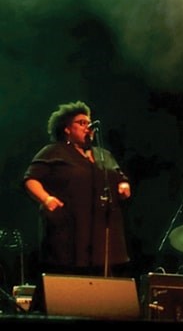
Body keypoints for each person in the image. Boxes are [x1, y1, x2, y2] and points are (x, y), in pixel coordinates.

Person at [23, 101, 133, 313]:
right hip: (68, 229)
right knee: (64, 281)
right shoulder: (53, 152)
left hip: (102, 231)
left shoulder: (103, 154)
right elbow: (31, 179)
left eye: (89, 123)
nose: (87, 127)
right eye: (81, 123)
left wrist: (123, 184)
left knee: (101, 282)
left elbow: (119, 176)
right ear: (67, 128)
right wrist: (46, 199)